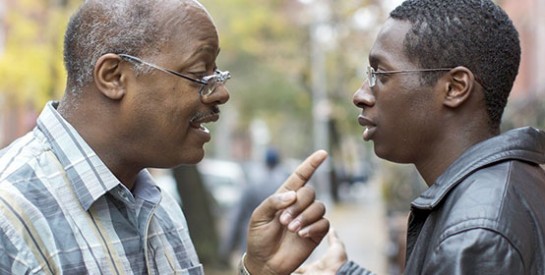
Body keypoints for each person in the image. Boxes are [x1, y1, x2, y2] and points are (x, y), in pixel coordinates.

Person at [0, 0, 330, 274]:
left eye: (218, 74)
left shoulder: (157, 205)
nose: (221, 94)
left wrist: (259, 270)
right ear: (114, 77)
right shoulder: (11, 217)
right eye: (200, 74)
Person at [297, 0, 545, 274]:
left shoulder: (476, 234)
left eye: (380, 74)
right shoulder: (509, 186)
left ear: (454, 88)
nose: (360, 96)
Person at [219, 147, 290, 263]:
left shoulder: (253, 182)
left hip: (251, 239)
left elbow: (238, 215)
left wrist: (227, 247)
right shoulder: (286, 182)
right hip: (279, 240)